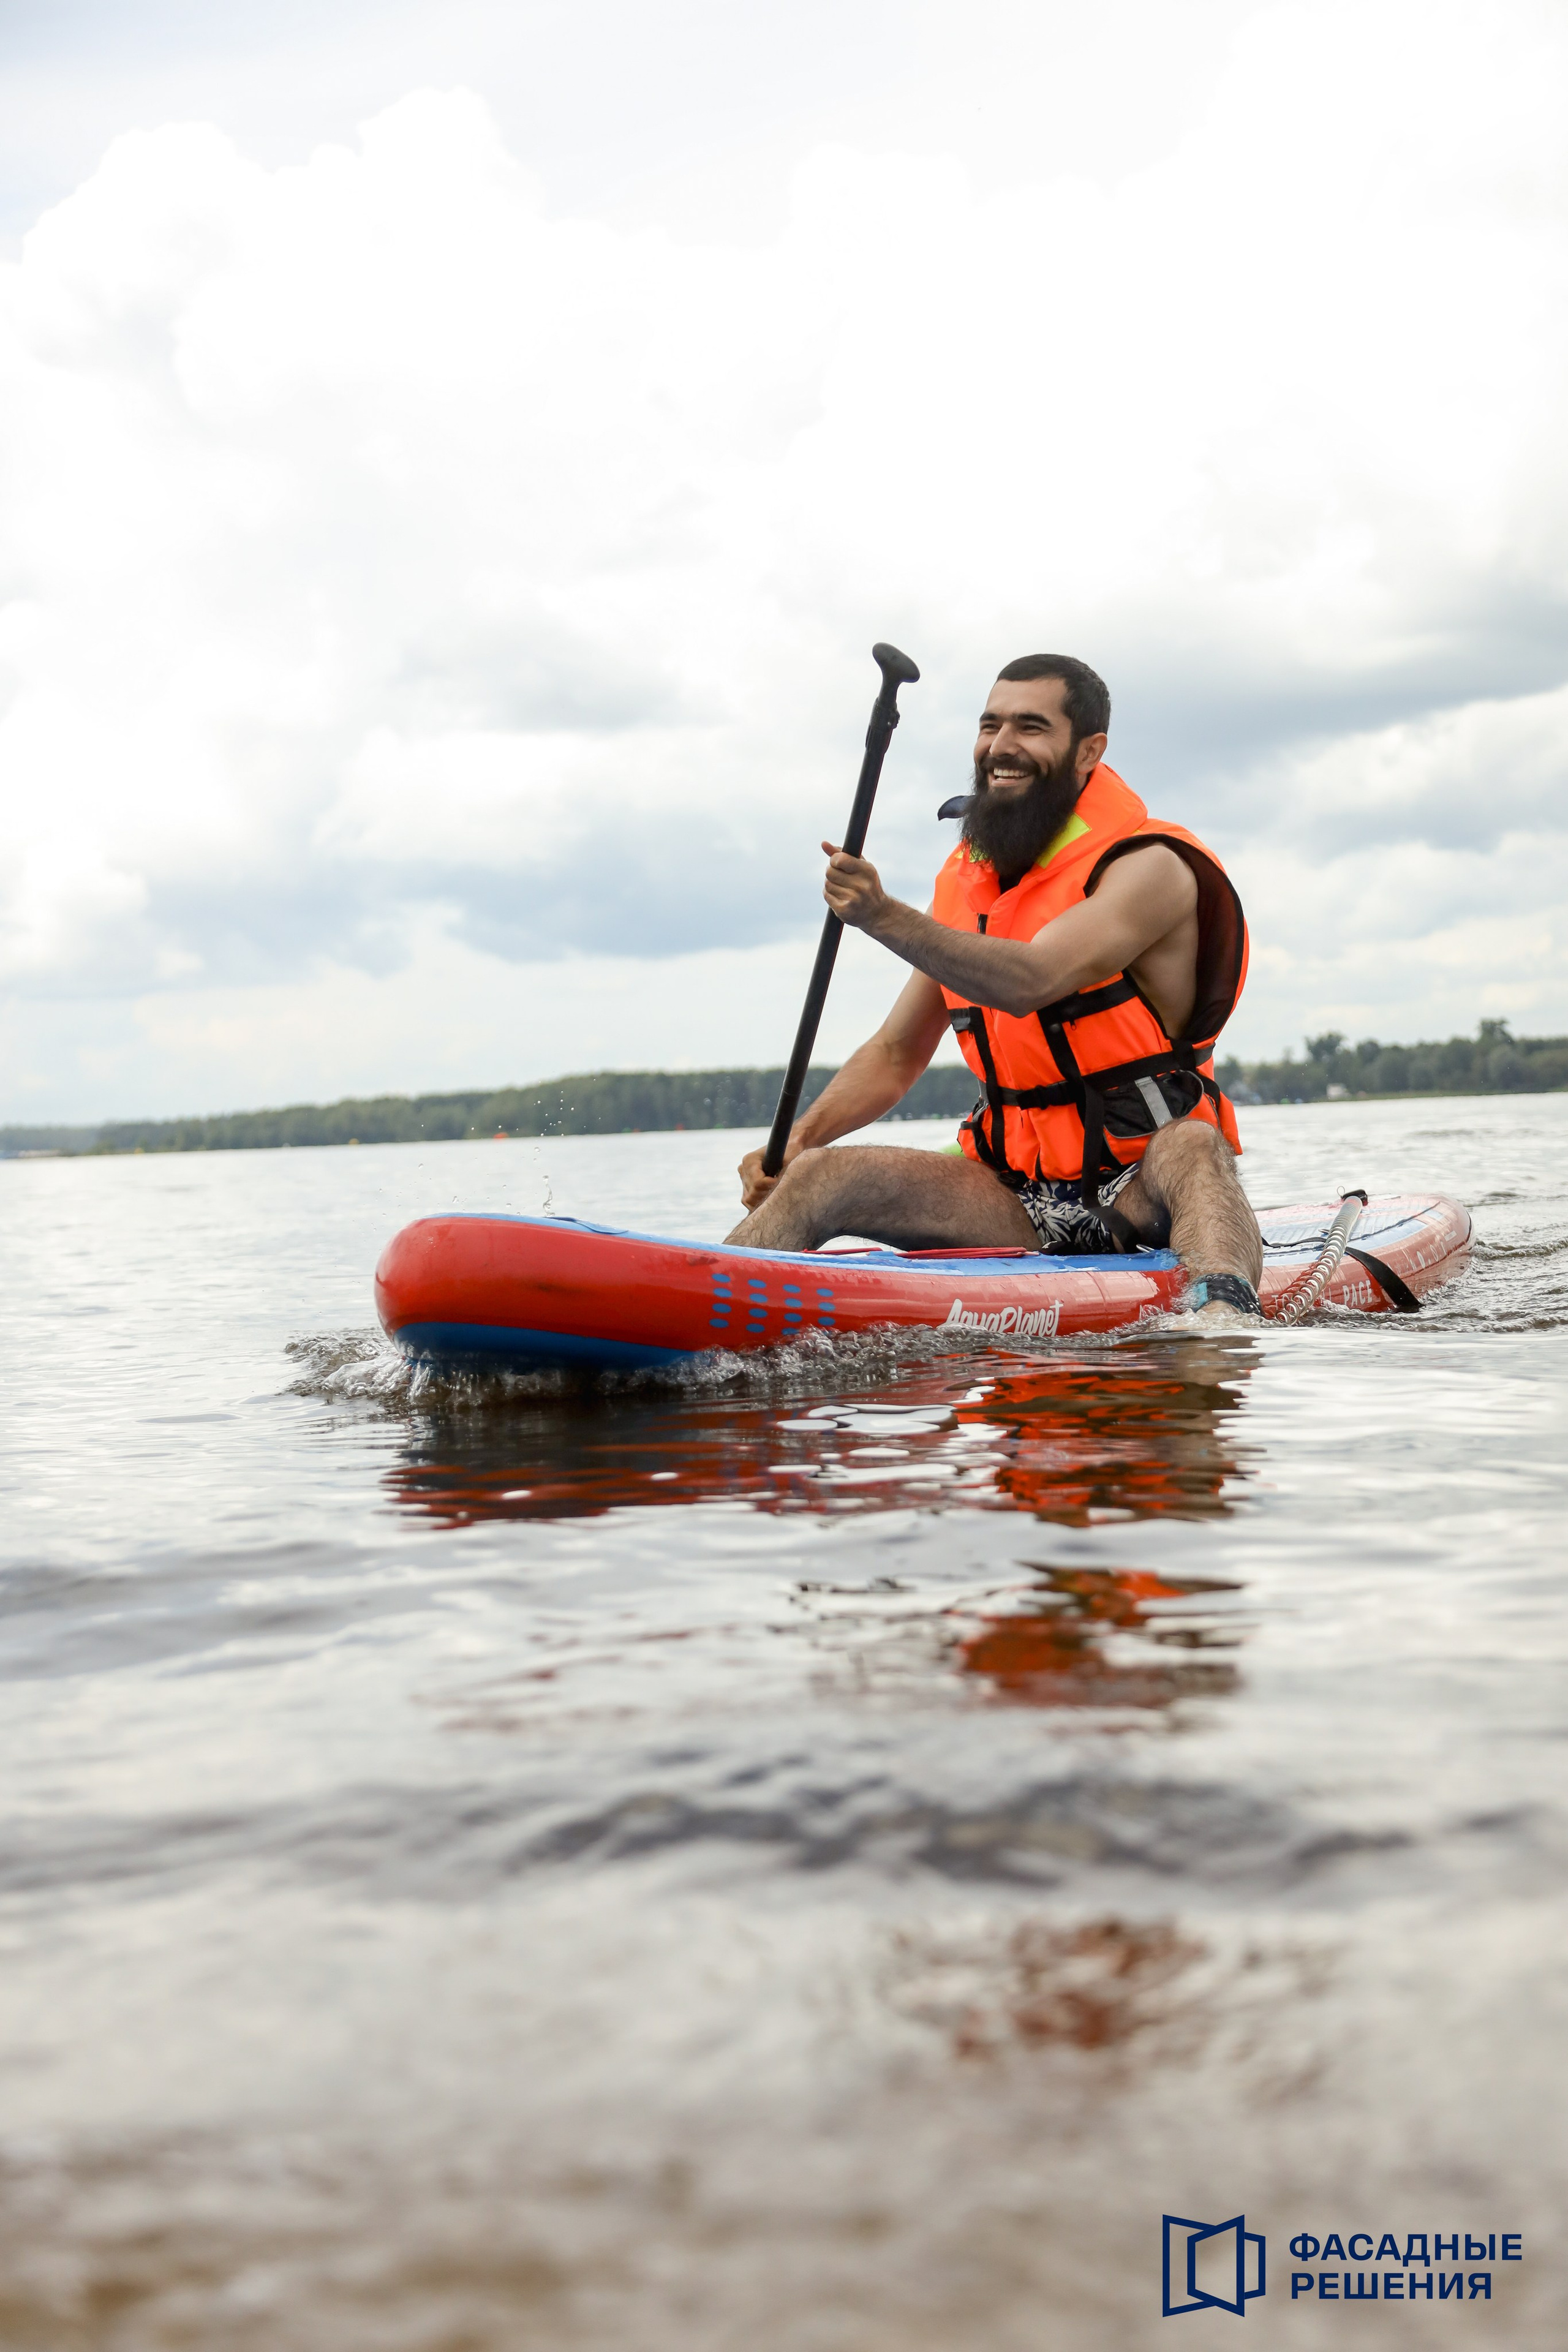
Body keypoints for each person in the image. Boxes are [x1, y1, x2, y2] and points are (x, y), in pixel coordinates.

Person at [728, 653, 1264, 1319]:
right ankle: (693, 1304)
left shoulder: (1149, 866)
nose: (1001, 746)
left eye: (1031, 726)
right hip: (1011, 1195)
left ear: (1087, 750)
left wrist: (880, 914)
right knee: (819, 1176)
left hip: (1142, 1188)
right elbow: (897, 1053)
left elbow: (1034, 979)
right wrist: (802, 1141)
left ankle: (1221, 1317)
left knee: (1193, 1144)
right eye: (990, 725)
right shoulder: (970, 885)